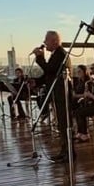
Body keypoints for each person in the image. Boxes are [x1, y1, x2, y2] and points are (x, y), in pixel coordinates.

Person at [34, 30, 70, 161]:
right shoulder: (56, 54)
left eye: (46, 40)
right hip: (57, 94)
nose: (44, 43)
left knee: (64, 123)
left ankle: (68, 152)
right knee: (61, 124)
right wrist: (36, 81)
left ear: (54, 41)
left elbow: (50, 69)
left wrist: (39, 57)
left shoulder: (60, 54)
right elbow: (49, 75)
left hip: (62, 94)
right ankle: (64, 150)